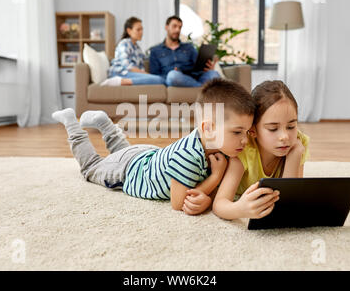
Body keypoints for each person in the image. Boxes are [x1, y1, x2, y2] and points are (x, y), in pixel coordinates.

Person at [51, 78, 255, 216]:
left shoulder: (215, 146)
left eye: (246, 132)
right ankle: (71, 122)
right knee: (91, 168)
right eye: (237, 132)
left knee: (122, 152)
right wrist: (215, 178)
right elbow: (178, 203)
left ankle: (105, 124)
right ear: (208, 129)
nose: (245, 140)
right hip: (128, 172)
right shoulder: (189, 156)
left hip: (146, 157)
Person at [212, 80, 310, 221]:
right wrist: (239, 209)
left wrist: (294, 156)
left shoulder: (298, 143)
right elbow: (219, 204)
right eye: (273, 128)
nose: (285, 137)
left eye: (291, 126)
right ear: (253, 130)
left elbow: (290, 199)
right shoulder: (244, 150)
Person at [149, 15, 221, 87]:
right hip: (174, 79)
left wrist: (206, 67)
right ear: (166, 27)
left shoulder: (189, 47)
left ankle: (199, 88)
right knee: (173, 75)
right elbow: (155, 75)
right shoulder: (155, 51)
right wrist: (174, 72)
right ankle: (202, 88)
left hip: (191, 77)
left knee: (214, 74)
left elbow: (197, 67)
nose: (177, 30)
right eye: (174, 26)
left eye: (180, 27)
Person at [102, 17, 166, 86]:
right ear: (129, 31)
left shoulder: (137, 48)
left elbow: (146, 59)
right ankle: (119, 81)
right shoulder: (124, 44)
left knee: (159, 79)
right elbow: (128, 66)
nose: (141, 32)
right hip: (120, 73)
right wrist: (147, 75)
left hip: (129, 74)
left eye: (142, 29)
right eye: (138, 30)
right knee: (159, 80)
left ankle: (126, 81)